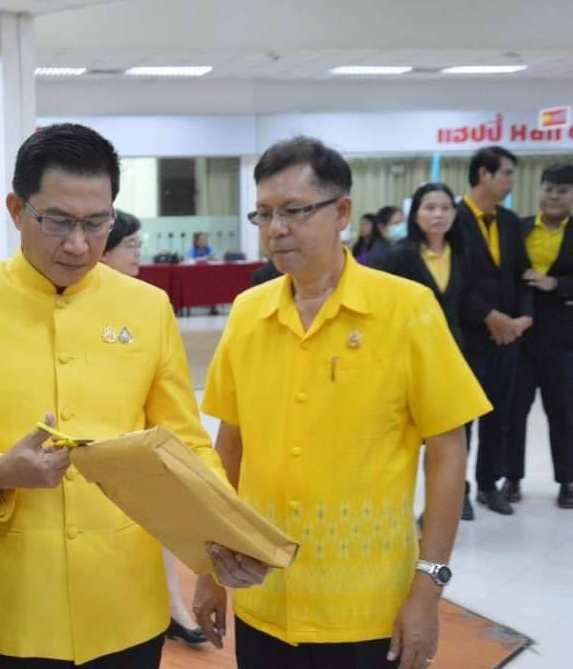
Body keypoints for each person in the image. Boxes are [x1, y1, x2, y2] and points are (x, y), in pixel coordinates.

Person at [0, 124, 253, 667]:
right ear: (16, 209)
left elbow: (186, 443)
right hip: (13, 603)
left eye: (96, 222)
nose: (79, 244)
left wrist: (225, 534)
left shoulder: (147, 307)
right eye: (57, 221)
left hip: (126, 596)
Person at [197, 137, 490, 669]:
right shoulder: (247, 313)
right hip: (265, 600)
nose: (276, 229)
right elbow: (230, 448)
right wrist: (209, 570)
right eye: (264, 213)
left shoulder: (406, 309)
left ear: (342, 212)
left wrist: (429, 588)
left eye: (294, 211)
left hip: (369, 609)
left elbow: (448, 451)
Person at [100, 210, 208, 649]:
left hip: (146, 440)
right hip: (99, 445)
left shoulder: (148, 304)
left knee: (156, 522)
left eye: (138, 245)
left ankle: (172, 606)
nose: (137, 253)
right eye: (129, 245)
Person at [373, 182, 476, 521]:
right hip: (408, 358)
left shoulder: (461, 254)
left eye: (445, 208)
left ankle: (450, 500)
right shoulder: (399, 256)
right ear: (415, 214)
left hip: (454, 355)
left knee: (453, 434)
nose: (438, 214)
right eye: (429, 208)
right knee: (408, 437)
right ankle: (397, 506)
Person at [455, 145, 533, 516]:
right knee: (461, 420)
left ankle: (489, 484)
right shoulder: (453, 220)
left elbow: (522, 273)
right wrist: (488, 316)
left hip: (508, 339)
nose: (511, 182)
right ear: (484, 174)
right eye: (507, 174)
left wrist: (523, 318)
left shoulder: (510, 221)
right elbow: (454, 280)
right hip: (468, 337)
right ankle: (459, 491)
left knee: (499, 415)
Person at [506, 163, 573, 509]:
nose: (553, 197)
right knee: (514, 411)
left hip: (563, 339)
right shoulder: (517, 228)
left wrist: (556, 283)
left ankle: (568, 481)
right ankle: (511, 478)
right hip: (520, 335)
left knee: (564, 412)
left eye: (562, 191)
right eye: (548, 189)